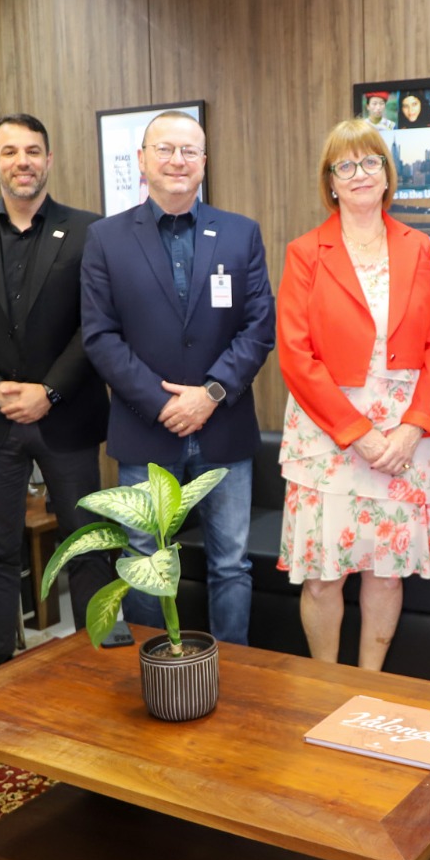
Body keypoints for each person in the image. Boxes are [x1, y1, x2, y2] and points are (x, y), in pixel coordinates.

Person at [80, 111, 275, 645]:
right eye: (164, 149)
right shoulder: (105, 239)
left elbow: (259, 327)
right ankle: (153, 670)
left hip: (224, 426)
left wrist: (210, 393)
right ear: (141, 161)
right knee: (145, 557)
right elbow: (100, 336)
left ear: (204, 163)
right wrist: (162, 402)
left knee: (231, 562)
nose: (177, 160)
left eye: (189, 151)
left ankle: (233, 670)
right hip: (147, 429)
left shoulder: (240, 234)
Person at [0, 113, 113, 677]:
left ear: (49, 160)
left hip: (67, 416)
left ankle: (96, 647)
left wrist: (49, 391)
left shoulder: (90, 231)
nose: (22, 162)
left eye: (32, 151)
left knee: (85, 538)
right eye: (9, 152)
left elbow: (96, 325)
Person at [277, 119, 430, 670]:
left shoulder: (419, 247)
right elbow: (295, 356)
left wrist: (411, 426)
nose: (359, 174)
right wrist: (358, 433)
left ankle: (370, 688)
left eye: (370, 162)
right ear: (330, 181)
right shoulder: (307, 252)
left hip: (406, 434)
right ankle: (325, 687)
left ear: (386, 175)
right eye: (345, 165)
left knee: (387, 569)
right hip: (329, 434)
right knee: (325, 576)